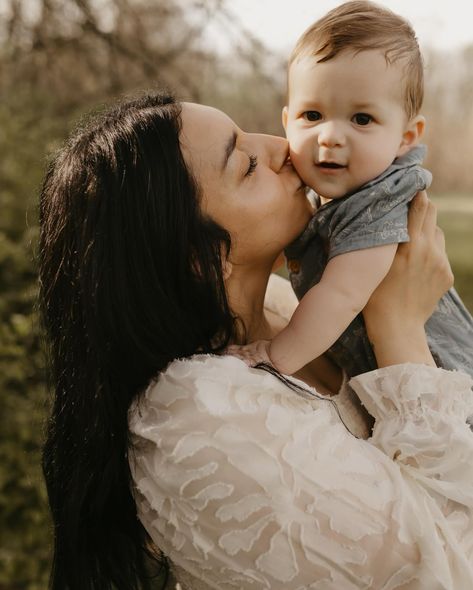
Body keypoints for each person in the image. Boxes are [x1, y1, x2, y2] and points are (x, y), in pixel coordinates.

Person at [38, 92, 473, 590]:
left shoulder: (290, 309)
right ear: (199, 259)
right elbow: (447, 570)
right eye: (246, 164)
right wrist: (398, 325)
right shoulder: (197, 419)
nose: (282, 147)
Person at [228, 1, 473, 379]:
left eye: (361, 119)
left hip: (445, 379)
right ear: (287, 120)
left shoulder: (379, 202)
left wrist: (278, 357)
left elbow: (341, 295)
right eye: (312, 116)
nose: (329, 137)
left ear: (405, 137)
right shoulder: (326, 197)